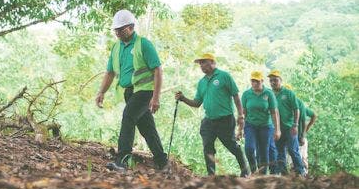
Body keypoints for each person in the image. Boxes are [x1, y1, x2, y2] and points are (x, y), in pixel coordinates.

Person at [95, 10, 168, 172]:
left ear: (131, 27)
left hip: (145, 92)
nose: (118, 33)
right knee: (146, 127)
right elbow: (110, 73)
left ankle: (122, 160)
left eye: (121, 29)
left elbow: (157, 70)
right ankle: (163, 162)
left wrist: (156, 98)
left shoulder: (144, 44)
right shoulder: (115, 48)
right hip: (130, 93)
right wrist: (101, 92)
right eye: (116, 30)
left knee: (128, 116)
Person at [175, 54, 250, 176]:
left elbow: (235, 95)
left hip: (225, 119)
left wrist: (240, 115)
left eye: (204, 62)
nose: (201, 65)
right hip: (209, 120)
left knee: (231, 145)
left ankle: (245, 172)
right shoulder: (202, 82)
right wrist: (183, 98)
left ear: (212, 62)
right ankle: (211, 175)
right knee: (207, 146)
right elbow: (197, 103)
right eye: (200, 63)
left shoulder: (224, 76)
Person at [239, 71, 280, 175]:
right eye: (253, 81)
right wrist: (240, 129)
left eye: (257, 81)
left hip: (265, 126)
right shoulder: (246, 94)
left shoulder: (269, 93)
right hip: (250, 125)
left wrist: (277, 130)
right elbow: (243, 112)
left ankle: (262, 174)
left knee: (263, 151)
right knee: (249, 148)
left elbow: (274, 112)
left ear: (262, 81)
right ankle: (254, 171)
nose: (255, 83)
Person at [267, 71, 305, 175]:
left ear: (281, 80)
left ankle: (301, 171)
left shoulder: (288, 93)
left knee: (293, 150)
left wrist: (295, 125)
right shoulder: (269, 94)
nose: (273, 82)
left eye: (275, 80)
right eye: (271, 81)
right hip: (276, 129)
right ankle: (283, 173)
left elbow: (296, 109)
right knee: (279, 151)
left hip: (289, 127)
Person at [292, 89, 317, 173]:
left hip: (299, 138)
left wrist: (305, 132)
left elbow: (312, 116)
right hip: (289, 138)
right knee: (291, 161)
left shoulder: (299, 105)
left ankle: (304, 177)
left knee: (302, 158)